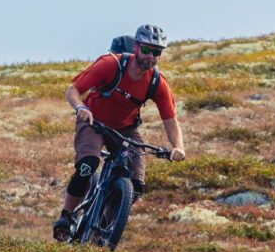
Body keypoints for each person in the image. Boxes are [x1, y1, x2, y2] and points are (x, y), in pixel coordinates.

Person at [53, 23, 186, 241]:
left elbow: (171, 121)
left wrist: (178, 147)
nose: (150, 56)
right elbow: (73, 90)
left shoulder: (156, 82)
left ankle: (102, 226)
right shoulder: (111, 64)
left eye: (156, 53)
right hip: (93, 121)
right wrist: (81, 107)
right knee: (87, 165)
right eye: (146, 49)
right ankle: (66, 217)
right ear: (136, 47)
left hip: (126, 129)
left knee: (136, 185)